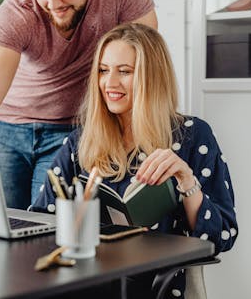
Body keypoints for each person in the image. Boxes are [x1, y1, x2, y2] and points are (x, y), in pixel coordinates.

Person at [31, 23, 238, 298]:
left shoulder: (193, 136)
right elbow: (40, 219)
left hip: (154, 286)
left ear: (152, 77)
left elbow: (221, 237)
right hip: (84, 281)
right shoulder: (82, 140)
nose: (109, 83)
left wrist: (187, 181)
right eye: (103, 71)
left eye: (125, 72)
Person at [0, 0, 157, 209]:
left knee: (51, 227)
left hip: (70, 130)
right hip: (8, 129)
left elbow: (148, 62)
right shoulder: (18, 11)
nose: (52, 3)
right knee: (2, 224)